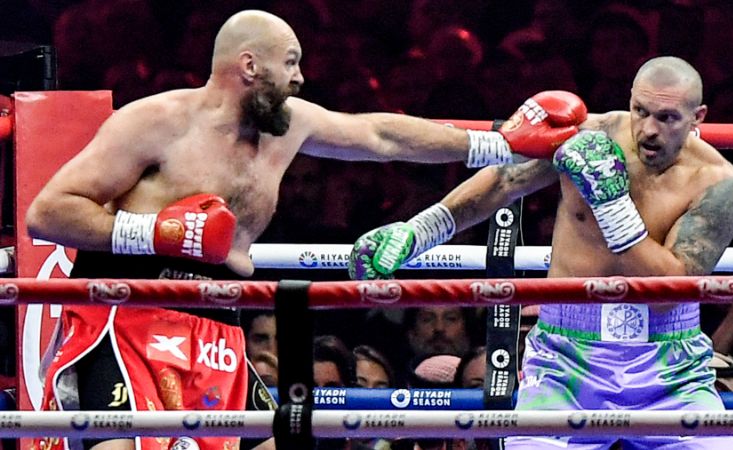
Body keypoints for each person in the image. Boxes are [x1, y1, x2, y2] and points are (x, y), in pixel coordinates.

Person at [24, 9, 588, 450]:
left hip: (217, 325)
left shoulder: (287, 127)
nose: (300, 77)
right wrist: (156, 234)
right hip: (128, 315)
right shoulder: (155, 122)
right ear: (250, 67)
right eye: (290, 63)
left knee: (277, 441)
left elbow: (382, 136)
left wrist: (500, 141)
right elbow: (47, 213)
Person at [350, 56, 733, 449]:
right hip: (565, 359)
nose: (648, 130)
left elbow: (667, 293)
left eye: (667, 118)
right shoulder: (587, 137)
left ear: (698, 118)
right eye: (640, 111)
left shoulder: (718, 184)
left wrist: (612, 206)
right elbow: (502, 183)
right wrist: (418, 231)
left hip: (668, 367)